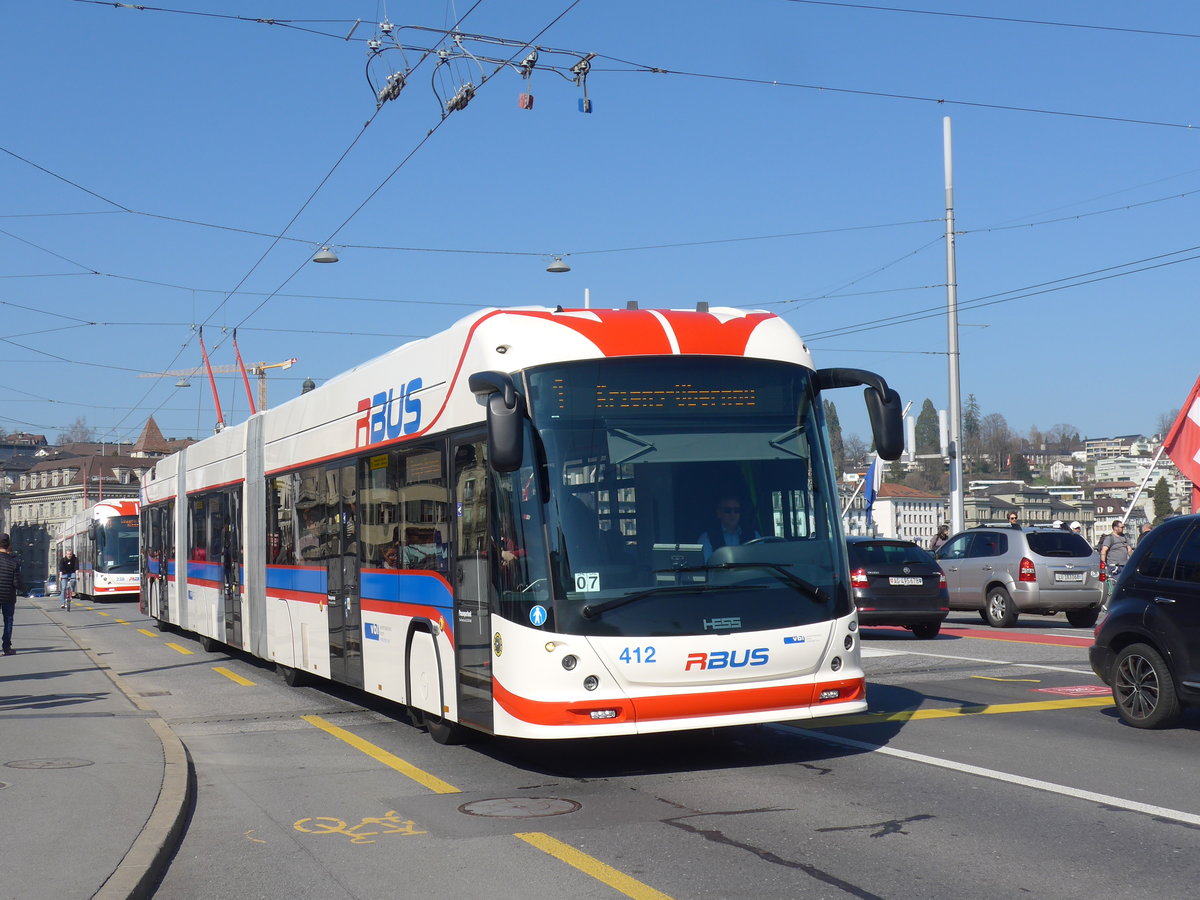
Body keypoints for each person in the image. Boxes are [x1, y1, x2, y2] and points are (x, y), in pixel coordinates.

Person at [698, 495, 760, 559]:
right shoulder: (707, 537)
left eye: (736, 510)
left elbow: (762, 559)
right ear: (718, 513)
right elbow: (706, 564)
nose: (732, 514)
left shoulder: (754, 535)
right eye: (727, 510)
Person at [0, 533, 23, 656]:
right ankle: (7, 647)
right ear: (8, 545)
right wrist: (22, 588)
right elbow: (17, 583)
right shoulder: (14, 562)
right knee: (8, 620)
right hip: (8, 596)